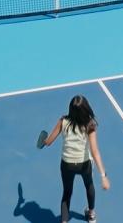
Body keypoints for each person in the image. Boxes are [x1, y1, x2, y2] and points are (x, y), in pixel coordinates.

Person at [41, 95, 110, 223]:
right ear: (86, 109)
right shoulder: (90, 125)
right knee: (89, 185)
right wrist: (103, 175)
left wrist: (44, 141)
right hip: (84, 165)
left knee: (67, 193)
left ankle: (64, 221)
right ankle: (91, 214)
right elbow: (95, 152)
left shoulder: (63, 121)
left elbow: (49, 141)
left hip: (67, 164)